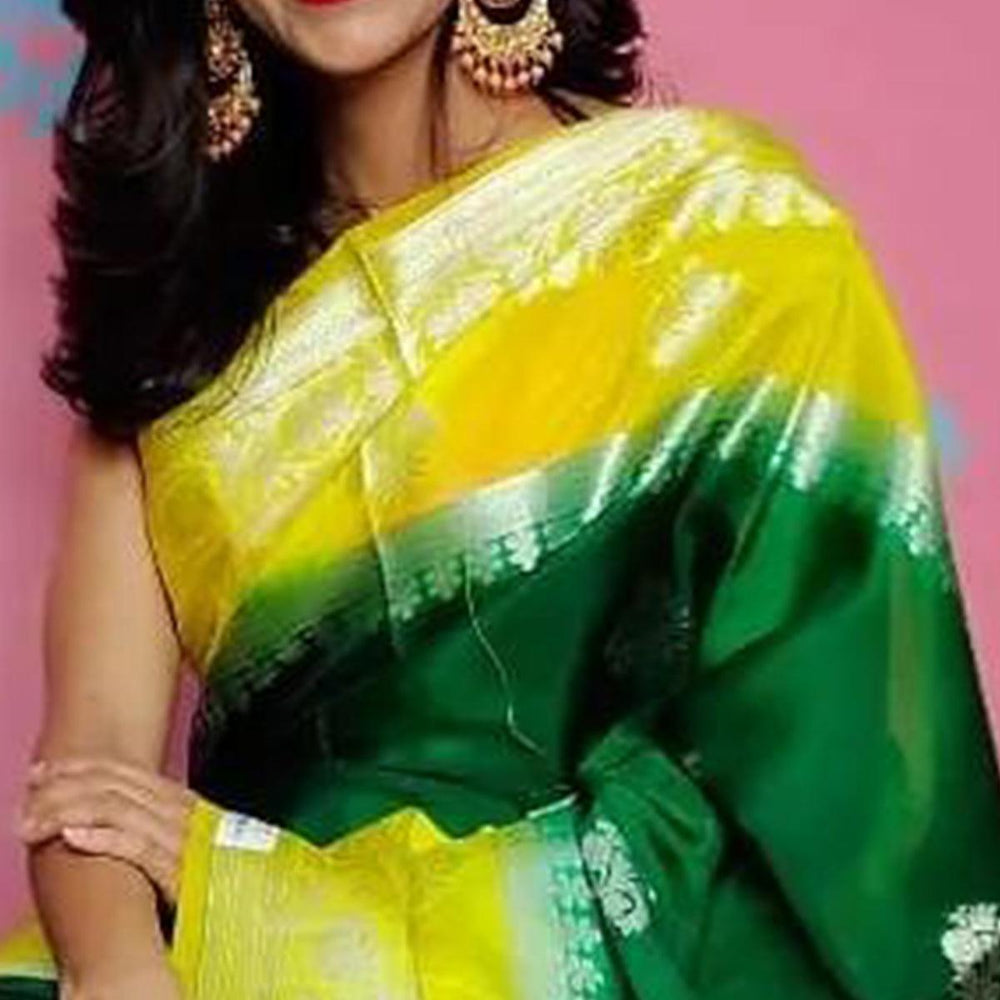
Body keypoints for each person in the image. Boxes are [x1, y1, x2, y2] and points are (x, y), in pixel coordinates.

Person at [1, 0, 999, 996]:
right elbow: (91, 766)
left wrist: (289, 905)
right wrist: (120, 968)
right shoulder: (172, 318)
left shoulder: (729, 242)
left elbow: (844, 788)